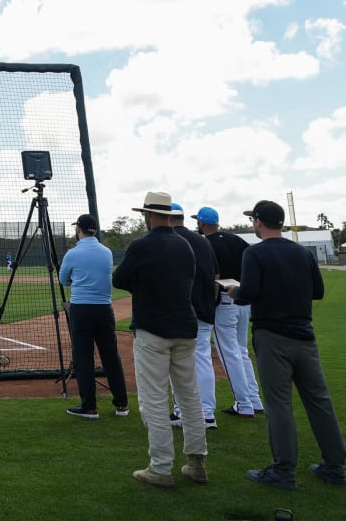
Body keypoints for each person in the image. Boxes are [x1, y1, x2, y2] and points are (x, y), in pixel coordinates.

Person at [223, 200, 346, 490]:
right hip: (304, 336)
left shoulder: (254, 253)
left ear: (258, 222)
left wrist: (234, 290)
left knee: (279, 405)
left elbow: (249, 292)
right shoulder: (301, 252)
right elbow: (317, 291)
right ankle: (335, 466)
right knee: (320, 402)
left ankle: (283, 470)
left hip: (272, 337)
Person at [111, 190, 208, 488]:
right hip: (185, 327)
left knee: (154, 398)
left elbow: (119, 279)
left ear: (149, 216)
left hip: (153, 329)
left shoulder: (142, 245)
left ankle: (161, 467)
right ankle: (196, 462)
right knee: (189, 396)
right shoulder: (185, 245)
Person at [59, 213, 130, 419]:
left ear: (78, 229)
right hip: (104, 309)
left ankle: (89, 406)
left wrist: (77, 280)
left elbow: (64, 280)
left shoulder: (73, 253)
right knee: (111, 356)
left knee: (83, 357)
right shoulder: (106, 252)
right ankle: (121, 404)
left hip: (81, 308)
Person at [198, 206, 263, 419]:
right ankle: (254, 400)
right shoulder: (235, 239)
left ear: (201, 223)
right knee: (241, 351)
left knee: (229, 353)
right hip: (244, 298)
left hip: (225, 299)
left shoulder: (204, 243)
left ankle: (244, 404)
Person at [169, 202, 220, 430]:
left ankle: (181, 411)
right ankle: (207, 414)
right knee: (202, 359)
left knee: (178, 362)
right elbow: (216, 274)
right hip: (205, 307)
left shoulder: (169, 241)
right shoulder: (202, 240)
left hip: (180, 310)